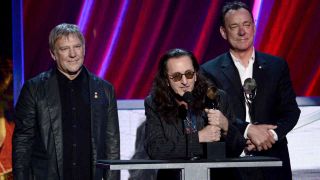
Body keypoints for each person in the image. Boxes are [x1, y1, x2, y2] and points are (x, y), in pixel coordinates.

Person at [201, 1, 300, 180]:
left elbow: (291, 111)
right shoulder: (209, 71)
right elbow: (214, 114)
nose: (242, 32)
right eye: (234, 26)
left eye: (247, 25)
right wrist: (248, 131)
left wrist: (271, 135)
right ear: (223, 32)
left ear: (254, 27)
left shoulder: (276, 66)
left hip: (272, 160)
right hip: (230, 164)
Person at [13, 23, 120, 180]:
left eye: (77, 46)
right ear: (53, 54)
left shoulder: (104, 90)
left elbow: (112, 145)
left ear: (84, 48)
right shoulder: (34, 89)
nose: (72, 54)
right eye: (64, 49)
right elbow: (22, 144)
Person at [144, 48, 246, 180]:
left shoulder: (217, 97)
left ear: (196, 75)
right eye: (176, 76)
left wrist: (225, 125)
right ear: (166, 80)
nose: (185, 82)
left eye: (189, 74)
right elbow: (155, 149)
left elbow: (237, 147)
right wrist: (198, 137)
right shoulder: (155, 103)